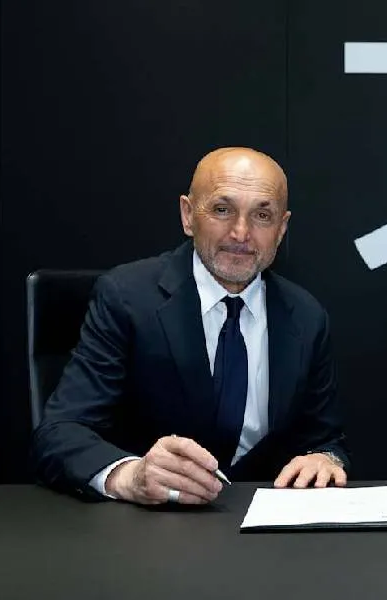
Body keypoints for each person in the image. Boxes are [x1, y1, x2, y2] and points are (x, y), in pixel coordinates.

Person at [32, 147, 348, 505]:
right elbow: (60, 432)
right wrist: (129, 476)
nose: (241, 232)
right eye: (222, 210)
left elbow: (325, 438)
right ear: (188, 215)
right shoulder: (127, 297)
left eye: (262, 215)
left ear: (281, 229)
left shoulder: (306, 316)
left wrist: (325, 458)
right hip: (150, 524)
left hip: (262, 524)